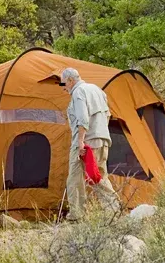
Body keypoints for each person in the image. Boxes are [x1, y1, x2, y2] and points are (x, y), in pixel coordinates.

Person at [61, 67, 120, 221]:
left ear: (70, 80)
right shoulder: (97, 90)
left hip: (85, 143)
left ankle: (77, 214)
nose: (64, 88)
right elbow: (108, 114)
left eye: (64, 84)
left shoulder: (78, 92)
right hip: (102, 140)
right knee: (99, 175)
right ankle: (113, 210)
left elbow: (83, 119)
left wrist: (80, 142)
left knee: (74, 178)